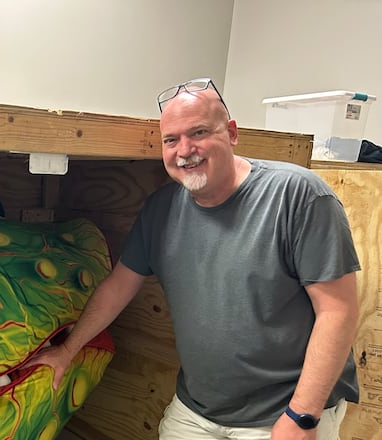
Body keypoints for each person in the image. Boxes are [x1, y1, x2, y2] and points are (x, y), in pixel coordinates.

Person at [24, 78, 360, 439]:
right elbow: (119, 286)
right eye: (171, 140)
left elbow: (337, 311)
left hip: (282, 413)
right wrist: (67, 350)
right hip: (198, 409)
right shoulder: (160, 210)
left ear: (231, 133)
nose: (185, 150)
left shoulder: (298, 196)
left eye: (199, 132)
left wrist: (302, 417)